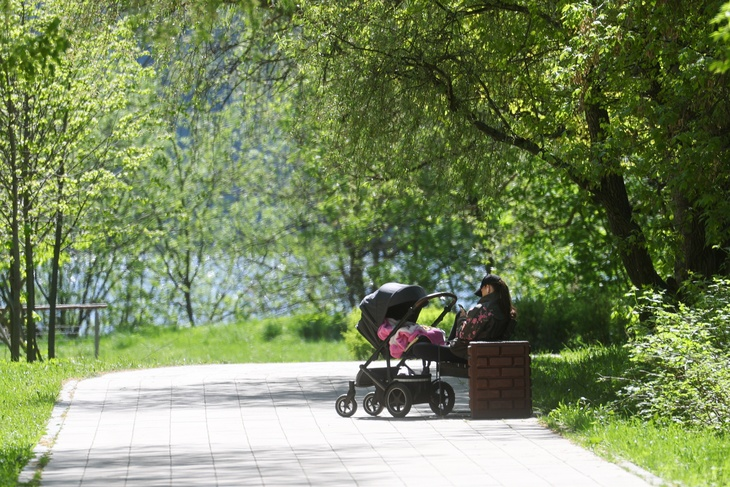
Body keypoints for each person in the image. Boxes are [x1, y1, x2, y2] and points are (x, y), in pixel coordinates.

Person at [412, 274, 517, 364]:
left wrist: (462, 319)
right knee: (459, 316)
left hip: (465, 354)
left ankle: (447, 344)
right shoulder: (507, 311)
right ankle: (447, 343)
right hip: (484, 354)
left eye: (482, 290)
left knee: (418, 348)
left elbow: (463, 335)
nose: (481, 295)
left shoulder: (483, 310)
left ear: (488, 288)